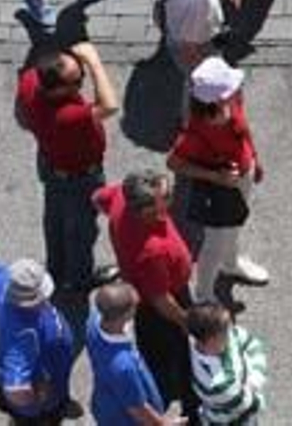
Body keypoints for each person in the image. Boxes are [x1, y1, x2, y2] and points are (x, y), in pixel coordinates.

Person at [15, 42, 120, 296]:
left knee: (54, 220)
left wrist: (42, 132)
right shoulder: (68, 116)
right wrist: (94, 62)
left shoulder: (30, 80)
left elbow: (20, 116)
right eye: (78, 79)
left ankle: (56, 268)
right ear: (59, 89)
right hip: (80, 176)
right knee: (82, 229)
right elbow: (110, 106)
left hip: (51, 164)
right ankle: (78, 280)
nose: (83, 81)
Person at [94, 172, 196, 418]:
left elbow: (99, 198)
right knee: (178, 357)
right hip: (161, 307)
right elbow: (161, 300)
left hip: (141, 286)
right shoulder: (153, 251)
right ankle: (180, 407)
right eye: (166, 196)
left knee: (157, 356)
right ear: (146, 210)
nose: (171, 196)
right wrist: (185, 322)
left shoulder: (121, 196)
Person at [168, 57, 268, 303]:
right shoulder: (195, 132)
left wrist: (255, 159)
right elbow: (174, 163)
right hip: (219, 190)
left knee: (234, 227)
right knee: (214, 242)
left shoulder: (233, 100)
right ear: (215, 99)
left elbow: (244, 132)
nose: (236, 88)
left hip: (240, 177)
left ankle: (231, 264)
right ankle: (203, 293)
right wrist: (215, 176)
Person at [0, 259, 80, 425]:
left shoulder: (3, 280)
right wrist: (36, 401)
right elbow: (15, 389)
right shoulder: (25, 334)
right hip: (41, 399)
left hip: (5, 365)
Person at [87, 281, 185, 426]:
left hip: (104, 401)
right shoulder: (123, 366)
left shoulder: (94, 322)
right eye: (135, 306)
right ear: (126, 315)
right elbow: (138, 409)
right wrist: (163, 424)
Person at [187, 302, 269, 425]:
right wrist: (256, 380)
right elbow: (250, 404)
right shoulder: (220, 386)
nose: (231, 330)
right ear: (211, 341)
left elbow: (250, 342)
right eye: (225, 331)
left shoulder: (198, 338)